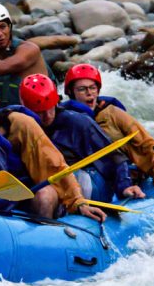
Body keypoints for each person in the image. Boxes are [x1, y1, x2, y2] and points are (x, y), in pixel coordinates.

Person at [0, 80, 106, 221]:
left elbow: (54, 163)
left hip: (29, 189)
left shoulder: (20, 124)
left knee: (45, 196)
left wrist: (78, 202)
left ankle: (43, 238)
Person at [19, 73, 144, 202]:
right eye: (39, 112)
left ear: (56, 102)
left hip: (90, 181)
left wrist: (125, 186)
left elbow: (115, 156)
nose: (47, 116)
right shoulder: (18, 124)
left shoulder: (79, 122)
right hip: (49, 180)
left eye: (50, 108)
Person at [62, 64, 154, 188]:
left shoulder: (113, 113)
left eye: (92, 88)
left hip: (122, 173)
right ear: (71, 92)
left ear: (98, 90)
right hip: (87, 176)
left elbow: (145, 143)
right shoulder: (63, 117)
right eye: (82, 89)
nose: (89, 93)